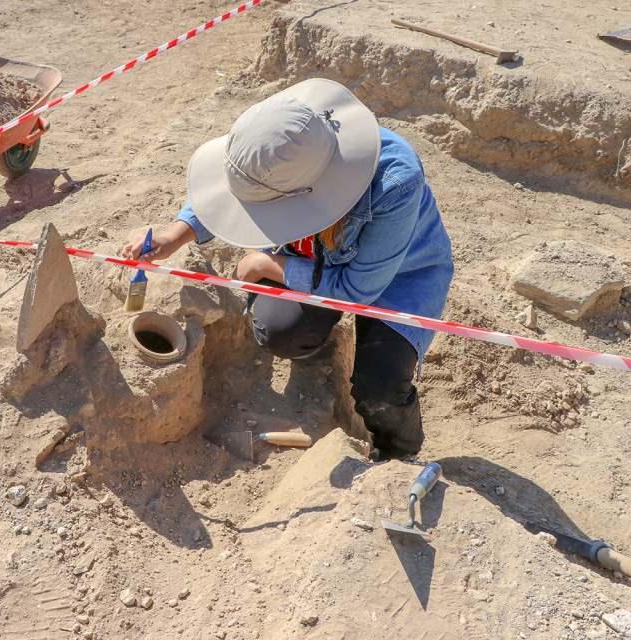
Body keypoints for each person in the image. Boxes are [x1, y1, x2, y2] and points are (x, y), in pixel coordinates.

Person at [122, 79, 453, 458]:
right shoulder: (280, 141)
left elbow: (357, 290)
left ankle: (397, 454)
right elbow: (242, 185)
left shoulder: (395, 183)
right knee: (278, 329)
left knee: (378, 388)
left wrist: (267, 263)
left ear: (309, 192)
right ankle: (319, 349)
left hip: (403, 276)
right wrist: (178, 233)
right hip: (312, 256)